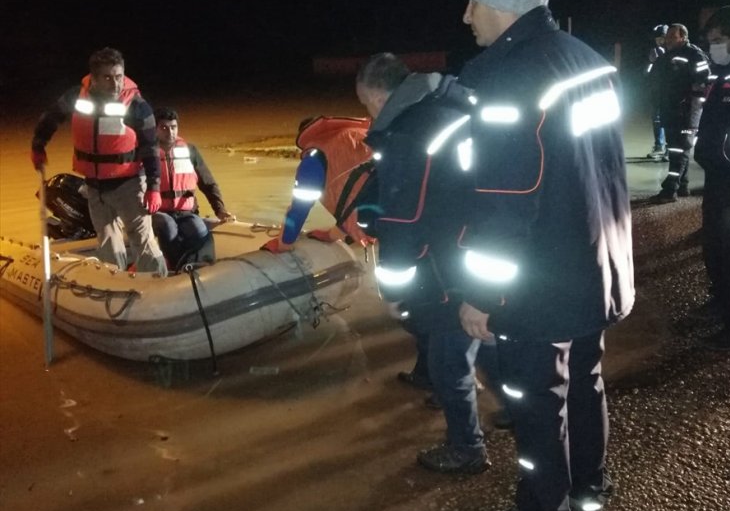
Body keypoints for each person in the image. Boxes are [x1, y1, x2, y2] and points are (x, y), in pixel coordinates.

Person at [452, 0, 634, 511]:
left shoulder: (508, 79)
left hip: (542, 280)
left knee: (537, 405)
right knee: (585, 385)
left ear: (499, 1)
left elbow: (506, 204)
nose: (467, 15)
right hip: (596, 264)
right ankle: (588, 500)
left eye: (472, 0)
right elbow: (603, 173)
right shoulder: (587, 62)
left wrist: (481, 294)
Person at [356, 52, 495, 474]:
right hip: (485, 247)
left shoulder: (409, 132)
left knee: (450, 359)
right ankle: (521, 413)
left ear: (379, 97)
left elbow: (402, 222)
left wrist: (394, 292)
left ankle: (467, 447)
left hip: (448, 265)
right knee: (488, 340)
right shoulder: (456, 104)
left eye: (366, 104)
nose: (369, 114)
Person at [30, 47, 166, 274]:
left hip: (129, 185)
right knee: (107, 242)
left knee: (143, 241)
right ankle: (115, 287)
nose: (116, 84)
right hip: (94, 185)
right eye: (108, 78)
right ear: (93, 79)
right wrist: (38, 146)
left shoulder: (136, 105)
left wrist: (154, 188)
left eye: (119, 76)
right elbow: (51, 117)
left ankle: (159, 284)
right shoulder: (76, 96)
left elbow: (150, 148)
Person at [691, 5, 730, 352]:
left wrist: (725, 163)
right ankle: (723, 305)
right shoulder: (723, 73)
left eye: (720, 40)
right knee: (717, 248)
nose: (714, 48)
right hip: (719, 181)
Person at [261, 115, 374, 253]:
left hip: (384, 217)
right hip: (398, 204)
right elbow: (357, 192)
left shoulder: (315, 157)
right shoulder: (359, 137)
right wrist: (331, 236)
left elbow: (300, 208)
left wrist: (283, 244)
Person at [152, 107, 235, 269]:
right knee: (168, 226)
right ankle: (176, 270)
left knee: (199, 230)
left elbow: (208, 183)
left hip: (186, 212)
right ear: (155, 130)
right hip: (158, 212)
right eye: (164, 128)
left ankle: (202, 266)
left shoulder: (190, 151)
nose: (170, 132)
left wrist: (220, 210)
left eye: (173, 127)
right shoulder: (147, 154)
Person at [650, 24, 711, 203]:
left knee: (680, 148)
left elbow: (705, 81)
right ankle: (682, 185)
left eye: (672, 35)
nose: (667, 38)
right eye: (667, 35)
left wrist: (686, 96)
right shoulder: (666, 55)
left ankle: (670, 190)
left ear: (683, 36)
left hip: (688, 111)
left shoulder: (695, 55)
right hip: (670, 109)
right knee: (676, 148)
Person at [646, 24, 669, 160]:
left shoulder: (674, 51)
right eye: (657, 38)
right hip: (656, 90)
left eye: (662, 38)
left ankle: (669, 149)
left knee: (669, 119)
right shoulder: (654, 51)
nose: (659, 41)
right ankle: (659, 146)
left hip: (670, 92)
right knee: (656, 119)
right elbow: (649, 69)